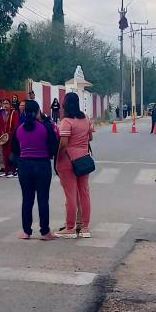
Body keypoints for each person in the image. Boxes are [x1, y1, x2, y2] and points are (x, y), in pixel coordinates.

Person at [10, 100, 58, 241]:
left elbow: (15, 150)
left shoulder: (19, 129)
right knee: (43, 199)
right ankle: (45, 232)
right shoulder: (45, 128)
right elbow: (53, 148)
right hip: (42, 165)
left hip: (25, 166)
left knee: (27, 199)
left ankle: (26, 232)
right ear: (38, 112)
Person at [55, 92, 94, 238]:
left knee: (70, 194)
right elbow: (90, 137)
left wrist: (58, 157)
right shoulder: (85, 119)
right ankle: (85, 227)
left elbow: (63, 143)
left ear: (65, 104)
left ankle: (70, 227)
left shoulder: (67, 121)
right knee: (84, 192)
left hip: (68, 161)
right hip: (83, 158)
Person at [0, 99, 19, 178]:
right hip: (4, 137)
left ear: (10, 105)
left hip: (11, 137)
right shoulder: (2, 113)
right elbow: (0, 126)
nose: (5, 105)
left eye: (7, 103)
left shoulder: (14, 113)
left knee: (11, 154)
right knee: (4, 154)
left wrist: (13, 136)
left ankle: (13, 171)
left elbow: (16, 125)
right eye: (4, 103)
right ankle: (6, 170)